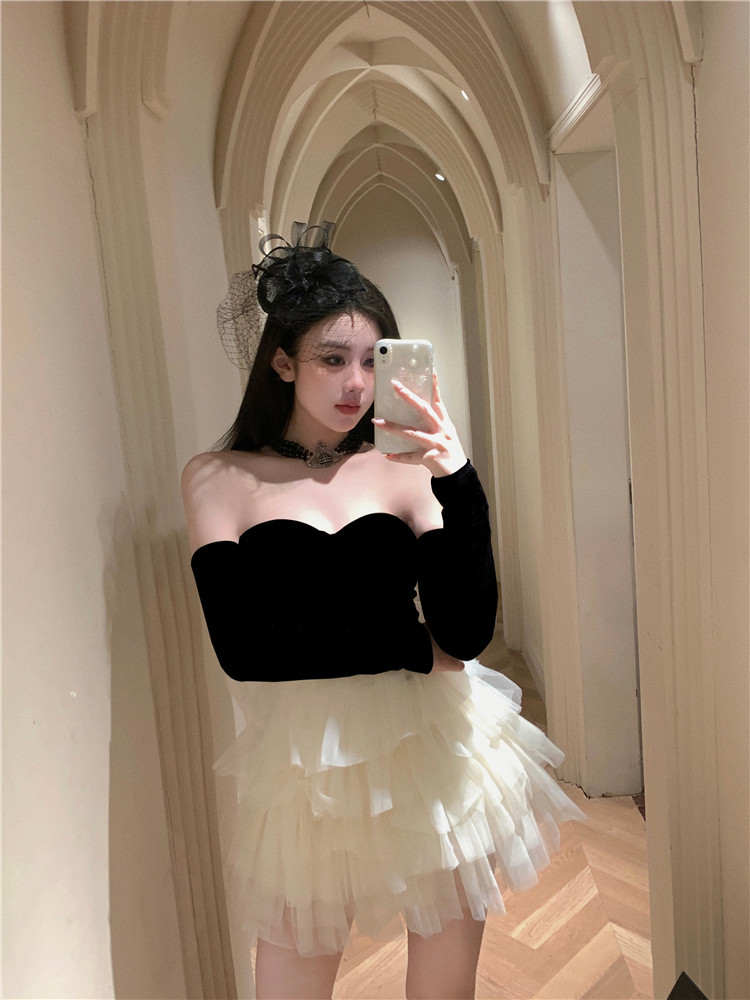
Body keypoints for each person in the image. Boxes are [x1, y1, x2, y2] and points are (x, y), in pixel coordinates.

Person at [181, 229, 584, 1000]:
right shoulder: (217, 478)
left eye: (372, 360)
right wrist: (407, 644)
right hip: (308, 765)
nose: (357, 383)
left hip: (432, 742)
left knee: (443, 991)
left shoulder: (404, 469)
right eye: (333, 359)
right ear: (282, 362)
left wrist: (456, 476)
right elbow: (244, 647)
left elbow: (465, 632)